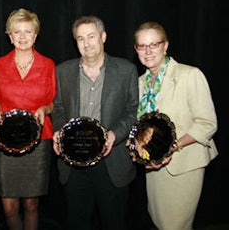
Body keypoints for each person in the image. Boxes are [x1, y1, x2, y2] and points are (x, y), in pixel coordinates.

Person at [52, 15, 139, 230]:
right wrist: (59, 132)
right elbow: (59, 109)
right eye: (80, 38)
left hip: (112, 162)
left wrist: (114, 134)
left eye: (91, 36)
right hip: (73, 163)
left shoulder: (126, 70)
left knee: (113, 222)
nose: (86, 43)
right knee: (77, 222)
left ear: (103, 37)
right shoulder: (63, 71)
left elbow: (132, 111)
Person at [133, 21, 218, 230]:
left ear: (165, 45)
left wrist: (172, 147)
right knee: (159, 221)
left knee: (175, 225)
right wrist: (138, 148)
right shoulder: (140, 83)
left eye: (154, 44)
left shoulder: (190, 75)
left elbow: (208, 123)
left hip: (184, 164)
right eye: (142, 46)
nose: (148, 51)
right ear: (136, 50)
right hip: (154, 167)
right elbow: (141, 127)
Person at [0, 8, 56, 230]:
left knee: (30, 204)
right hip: (5, 140)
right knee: (9, 207)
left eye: (27, 31)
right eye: (16, 32)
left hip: (38, 140)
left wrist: (43, 109)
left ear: (35, 35)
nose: (22, 37)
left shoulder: (48, 65)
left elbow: (53, 102)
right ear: (9, 36)